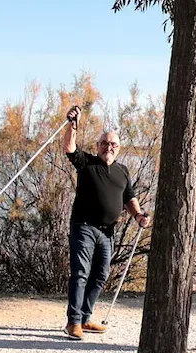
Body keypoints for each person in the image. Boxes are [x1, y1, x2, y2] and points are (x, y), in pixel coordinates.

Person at [61, 105, 151, 340]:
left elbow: (129, 197)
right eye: (104, 143)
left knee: (100, 275)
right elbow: (69, 147)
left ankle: (86, 317)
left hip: (107, 232)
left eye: (113, 145)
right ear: (98, 146)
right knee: (80, 272)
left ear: (118, 149)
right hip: (84, 226)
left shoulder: (122, 171)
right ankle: (73, 323)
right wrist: (73, 124)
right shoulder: (87, 163)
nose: (108, 147)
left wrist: (139, 215)